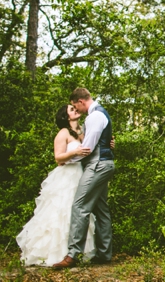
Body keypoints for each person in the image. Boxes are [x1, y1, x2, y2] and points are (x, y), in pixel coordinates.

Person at [16, 105, 97, 266]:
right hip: (66, 175)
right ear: (65, 116)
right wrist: (74, 152)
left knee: (78, 210)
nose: (75, 110)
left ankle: (75, 251)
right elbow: (58, 158)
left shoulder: (81, 132)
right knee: (62, 210)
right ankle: (56, 252)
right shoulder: (63, 133)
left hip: (80, 174)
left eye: (75, 108)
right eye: (71, 109)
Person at [53, 88, 115, 269]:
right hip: (104, 163)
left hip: (97, 165)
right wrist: (109, 144)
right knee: (101, 208)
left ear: (80, 101)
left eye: (74, 106)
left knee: (79, 206)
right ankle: (104, 254)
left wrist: (67, 159)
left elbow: (86, 148)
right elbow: (99, 141)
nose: (76, 110)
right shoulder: (100, 113)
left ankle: (72, 254)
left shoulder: (94, 116)